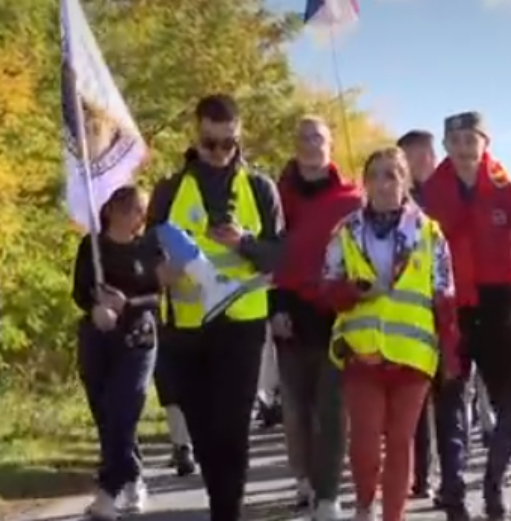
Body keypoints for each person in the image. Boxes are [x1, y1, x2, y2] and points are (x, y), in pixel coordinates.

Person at [146, 93, 283, 521]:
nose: (221, 153)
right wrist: (158, 272)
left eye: (229, 144)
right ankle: (219, 501)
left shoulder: (260, 188)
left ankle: (228, 513)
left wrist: (244, 243)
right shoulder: (170, 189)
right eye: (211, 143)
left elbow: (281, 256)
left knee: (233, 427)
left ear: (239, 138)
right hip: (187, 326)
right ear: (196, 135)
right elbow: (145, 250)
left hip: (242, 322)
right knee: (203, 430)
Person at [422, 112, 511, 520]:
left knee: (509, 410)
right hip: (449, 311)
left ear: (485, 143)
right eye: (456, 140)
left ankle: (494, 486)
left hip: (499, 306)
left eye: (471, 140)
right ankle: (455, 493)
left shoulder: (504, 189)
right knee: (450, 409)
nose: (463, 148)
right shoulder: (431, 193)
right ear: (445, 145)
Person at [321, 146, 460, 521]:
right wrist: (352, 291)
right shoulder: (347, 231)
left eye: (392, 175)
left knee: (400, 442)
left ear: (406, 182)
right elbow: (327, 288)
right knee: (365, 444)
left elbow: (444, 295)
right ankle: (365, 504)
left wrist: (450, 355)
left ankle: (393, 516)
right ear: (365, 182)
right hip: (361, 352)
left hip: (413, 354)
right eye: (376, 175)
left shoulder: (429, 233)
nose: (383, 184)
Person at [271, 116, 361, 519]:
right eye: (303, 136)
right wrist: (275, 307)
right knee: (295, 406)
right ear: (294, 143)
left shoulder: (352, 199)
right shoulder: (275, 196)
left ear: (331, 144)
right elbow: (263, 256)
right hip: (289, 311)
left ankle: (328, 494)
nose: (310, 144)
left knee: (332, 407)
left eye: (318, 137)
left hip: (338, 314)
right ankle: (303, 480)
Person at [72, 186, 161, 517]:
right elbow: (79, 290)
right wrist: (95, 307)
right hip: (98, 338)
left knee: (124, 407)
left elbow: (159, 295)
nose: (130, 215)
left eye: (137, 210)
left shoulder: (149, 247)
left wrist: (128, 305)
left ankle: (109, 490)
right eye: (123, 208)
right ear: (108, 210)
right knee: (106, 413)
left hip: (138, 338)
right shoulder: (91, 246)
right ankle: (132, 472)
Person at [396, 129, 439, 498]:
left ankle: (446, 472)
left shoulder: (448, 193)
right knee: (416, 401)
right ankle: (421, 474)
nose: (408, 165)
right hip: (409, 316)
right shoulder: (396, 204)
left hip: (445, 306)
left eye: (415, 156)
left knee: (449, 397)